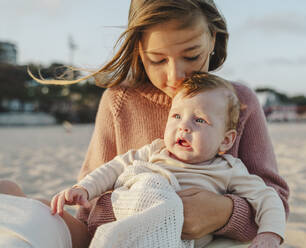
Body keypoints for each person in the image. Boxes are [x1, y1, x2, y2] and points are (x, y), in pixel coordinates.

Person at [24, 0, 289, 246]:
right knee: (31, 212)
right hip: (124, 233)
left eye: (191, 55)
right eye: (158, 60)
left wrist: (224, 213)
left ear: (213, 39)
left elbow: (274, 197)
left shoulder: (238, 101)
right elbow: (87, 205)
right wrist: (146, 205)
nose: (176, 75)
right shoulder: (118, 101)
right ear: (139, 50)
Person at [51, 72, 286, 248]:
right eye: (176, 116)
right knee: (146, 183)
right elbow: (114, 168)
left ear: (226, 141)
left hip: (177, 240)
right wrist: (84, 188)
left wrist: (270, 234)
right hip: (132, 224)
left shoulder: (228, 169)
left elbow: (267, 197)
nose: (183, 126)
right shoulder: (155, 151)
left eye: (200, 121)